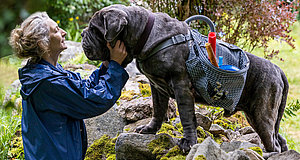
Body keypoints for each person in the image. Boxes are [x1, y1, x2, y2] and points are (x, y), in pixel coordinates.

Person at [9, 12, 129, 160]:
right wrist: (115, 66)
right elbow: (95, 100)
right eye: (56, 30)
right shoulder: (48, 82)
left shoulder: (44, 71)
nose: (63, 32)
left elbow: (83, 88)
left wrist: (107, 65)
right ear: (43, 43)